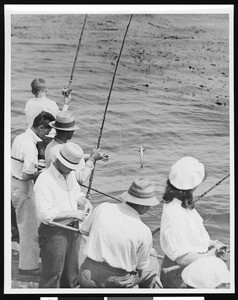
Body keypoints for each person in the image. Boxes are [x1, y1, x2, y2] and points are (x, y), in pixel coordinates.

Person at [159, 156, 230, 288]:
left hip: (192, 267)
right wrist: (211, 255)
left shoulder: (179, 203)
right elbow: (182, 258)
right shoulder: (176, 215)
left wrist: (211, 244)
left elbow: (191, 236)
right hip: (180, 275)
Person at [78, 177, 162, 288]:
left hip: (86, 275)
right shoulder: (144, 231)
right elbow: (140, 267)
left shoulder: (102, 208)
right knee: (154, 263)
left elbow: (84, 229)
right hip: (115, 283)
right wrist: (147, 252)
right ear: (144, 206)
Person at [34, 142, 93, 288]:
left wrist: (83, 200)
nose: (72, 170)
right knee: (52, 276)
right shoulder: (44, 179)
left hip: (73, 230)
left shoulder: (69, 174)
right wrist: (74, 213)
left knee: (71, 275)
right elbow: (44, 214)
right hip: (54, 233)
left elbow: (75, 192)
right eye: (70, 166)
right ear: (59, 161)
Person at [11, 111, 55, 275]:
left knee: (25, 224)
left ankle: (29, 262)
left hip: (13, 183)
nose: (48, 135)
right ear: (41, 127)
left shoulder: (21, 137)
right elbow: (26, 174)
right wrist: (45, 173)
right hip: (23, 186)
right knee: (28, 229)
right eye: (47, 131)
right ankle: (28, 267)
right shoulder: (30, 146)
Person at [45, 110, 108, 183]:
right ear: (67, 131)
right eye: (72, 130)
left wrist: (92, 156)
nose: (73, 131)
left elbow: (70, 157)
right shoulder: (60, 150)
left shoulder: (52, 145)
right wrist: (92, 160)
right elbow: (81, 177)